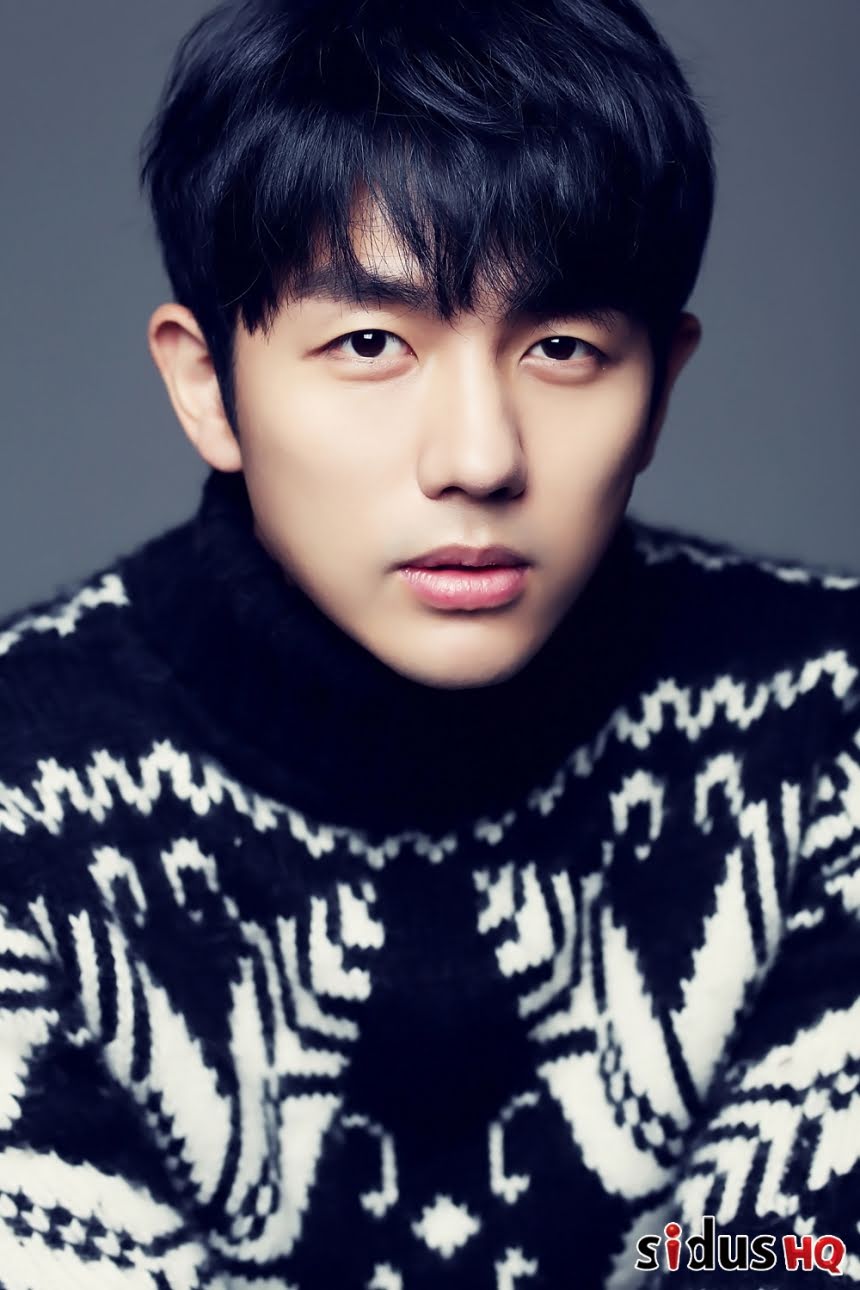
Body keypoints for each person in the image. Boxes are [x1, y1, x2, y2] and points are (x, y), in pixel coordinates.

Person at [0, 0, 857, 1285]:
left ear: (659, 388)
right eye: (369, 343)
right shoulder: (22, 796)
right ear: (204, 385)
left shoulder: (828, 728)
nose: (476, 457)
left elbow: (784, 1254)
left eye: (560, 346)